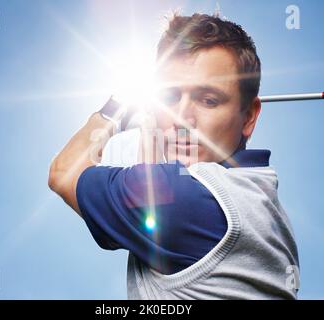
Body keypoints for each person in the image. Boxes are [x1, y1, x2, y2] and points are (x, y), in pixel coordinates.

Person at [48, 12, 300, 299]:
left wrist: (114, 111)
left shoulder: (183, 199)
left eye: (208, 100)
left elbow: (63, 172)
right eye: (169, 97)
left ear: (248, 117)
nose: (182, 118)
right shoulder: (260, 196)